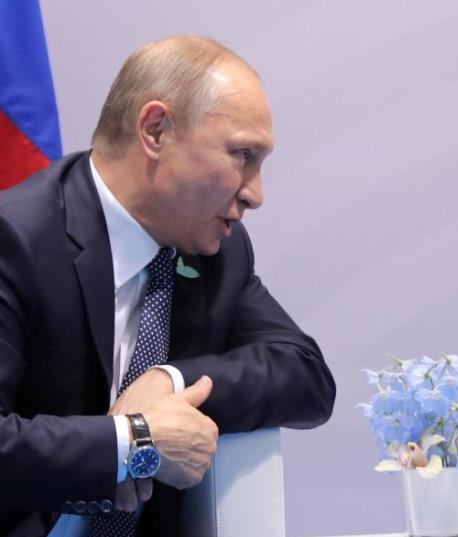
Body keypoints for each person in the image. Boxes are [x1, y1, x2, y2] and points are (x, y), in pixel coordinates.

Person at [0, 35, 336, 537]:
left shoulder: (217, 252)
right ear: (155, 130)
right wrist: (133, 440)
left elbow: (307, 377)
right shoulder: (16, 238)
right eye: (242, 155)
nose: (256, 194)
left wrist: (171, 379)